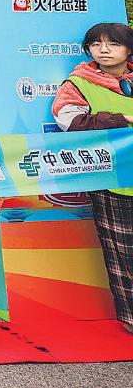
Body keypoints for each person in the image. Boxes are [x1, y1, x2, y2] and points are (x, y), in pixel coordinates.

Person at [52, 22, 133, 333]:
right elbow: (69, 121)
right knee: (122, 251)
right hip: (113, 179)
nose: (104, 50)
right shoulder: (78, 83)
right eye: (96, 44)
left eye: (113, 44)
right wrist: (122, 119)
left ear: (128, 48)